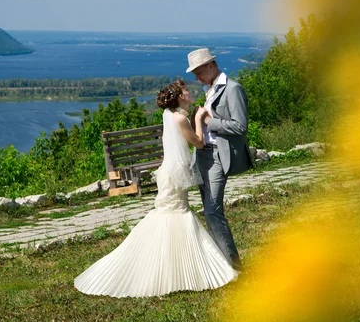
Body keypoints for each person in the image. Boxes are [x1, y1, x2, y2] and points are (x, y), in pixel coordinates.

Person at [74, 80, 238, 298]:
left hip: (168, 172)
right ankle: (174, 268)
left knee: (170, 214)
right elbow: (198, 142)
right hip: (176, 173)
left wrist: (191, 117)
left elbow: (180, 135)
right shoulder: (179, 117)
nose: (190, 92)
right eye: (186, 90)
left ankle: (174, 268)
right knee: (177, 214)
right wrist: (198, 118)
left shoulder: (169, 115)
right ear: (180, 96)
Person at [186, 48, 254, 270]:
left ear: (211, 65)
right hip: (201, 156)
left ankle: (234, 267)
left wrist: (209, 122)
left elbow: (240, 126)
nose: (197, 78)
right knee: (208, 211)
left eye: (198, 72)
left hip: (217, 157)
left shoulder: (233, 89)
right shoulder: (209, 89)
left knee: (214, 211)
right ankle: (222, 265)